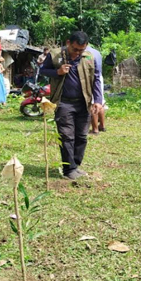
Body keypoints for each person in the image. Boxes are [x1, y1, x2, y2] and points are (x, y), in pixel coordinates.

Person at [40, 31, 103, 180]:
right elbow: (43, 70)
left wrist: (98, 101)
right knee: (67, 136)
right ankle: (69, 169)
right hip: (63, 102)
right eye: (75, 49)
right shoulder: (55, 55)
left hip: (84, 103)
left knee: (81, 136)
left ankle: (75, 165)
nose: (78, 53)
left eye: (81, 50)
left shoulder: (89, 57)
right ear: (68, 43)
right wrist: (58, 72)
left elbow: (96, 79)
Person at [86, 46, 107, 135]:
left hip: (92, 79)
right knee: (100, 103)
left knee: (93, 104)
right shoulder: (97, 52)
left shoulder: (86, 54)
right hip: (99, 78)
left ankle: (95, 129)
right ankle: (102, 126)